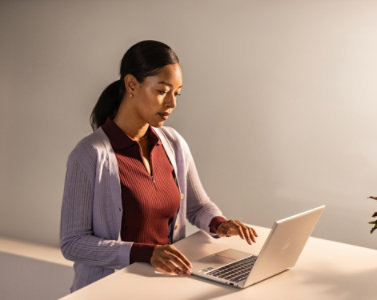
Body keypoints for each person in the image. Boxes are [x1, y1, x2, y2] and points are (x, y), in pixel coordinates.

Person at [60, 40, 258, 292]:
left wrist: (219, 224)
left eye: (177, 93)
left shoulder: (174, 143)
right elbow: (73, 243)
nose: (172, 104)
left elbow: (198, 206)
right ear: (132, 84)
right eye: (162, 91)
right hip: (110, 290)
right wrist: (145, 253)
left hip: (164, 287)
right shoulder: (89, 155)